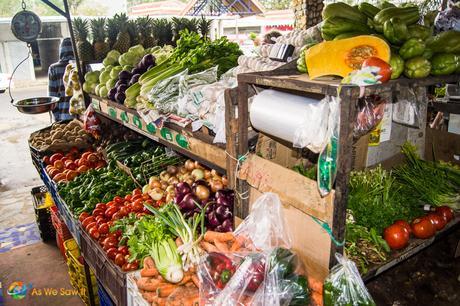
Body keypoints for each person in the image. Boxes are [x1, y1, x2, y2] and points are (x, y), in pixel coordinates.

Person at [48, 37, 75, 121]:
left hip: (64, 116)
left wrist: (56, 117)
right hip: (82, 115)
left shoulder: (53, 68)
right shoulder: (80, 65)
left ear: (61, 50)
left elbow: (52, 96)